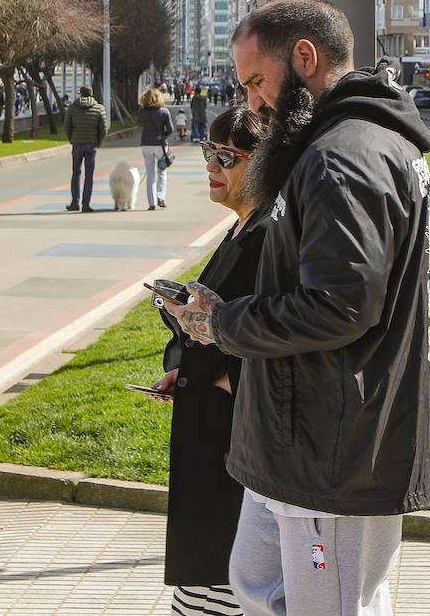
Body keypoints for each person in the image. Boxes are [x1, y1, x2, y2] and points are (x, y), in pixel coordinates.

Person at [163, 0, 430, 616]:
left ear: (305, 58)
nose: (253, 102)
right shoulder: (331, 147)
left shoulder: (343, 157)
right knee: (256, 588)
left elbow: (339, 305)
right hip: (298, 444)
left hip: (330, 450)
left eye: (256, 82)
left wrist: (220, 323)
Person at [148, 106, 268, 616]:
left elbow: (270, 339)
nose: (212, 166)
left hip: (233, 447)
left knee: (220, 582)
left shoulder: (267, 237)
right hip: (209, 436)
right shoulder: (241, 228)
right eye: (208, 152)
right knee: (199, 584)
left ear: (265, 163)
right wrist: (188, 370)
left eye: (227, 157)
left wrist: (218, 381)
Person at [64, 85, 107, 213]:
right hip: (91, 144)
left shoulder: (72, 107)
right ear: (92, 94)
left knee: (76, 173)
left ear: (80, 94)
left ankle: (74, 202)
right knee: (89, 175)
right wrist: (98, 141)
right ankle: (86, 204)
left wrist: (72, 139)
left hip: (77, 143)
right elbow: (104, 128)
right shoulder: (99, 108)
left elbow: (67, 126)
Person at [138, 87, 174, 210]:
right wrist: (163, 136)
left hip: (146, 144)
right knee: (162, 171)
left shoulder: (142, 112)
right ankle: (161, 197)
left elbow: (139, 124)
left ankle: (152, 203)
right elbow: (170, 129)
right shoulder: (164, 112)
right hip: (160, 145)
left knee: (150, 173)